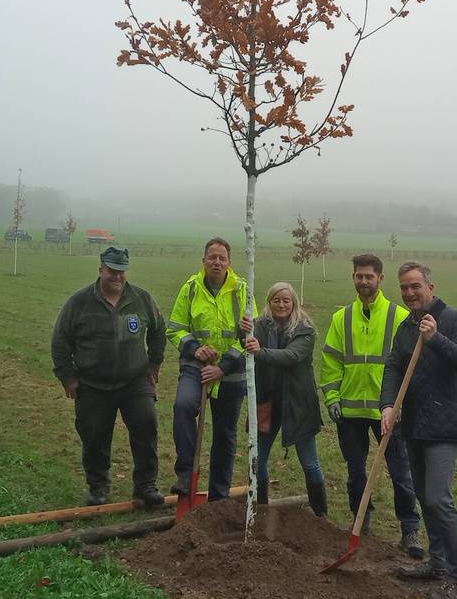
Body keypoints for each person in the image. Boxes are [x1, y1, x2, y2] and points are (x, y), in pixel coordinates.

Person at [382, 261, 457, 599]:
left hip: (444, 424)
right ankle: (437, 564)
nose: (409, 293)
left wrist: (435, 338)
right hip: (414, 424)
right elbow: (394, 366)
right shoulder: (406, 326)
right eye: (404, 288)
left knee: (438, 498)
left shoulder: (453, 319)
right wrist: (388, 406)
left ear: (430, 287)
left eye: (415, 287)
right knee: (424, 497)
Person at [320, 253, 423, 556]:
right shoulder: (342, 318)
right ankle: (360, 520)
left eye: (369, 276)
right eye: (358, 276)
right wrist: (332, 398)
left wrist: (402, 404)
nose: (363, 281)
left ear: (380, 279)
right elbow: (331, 361)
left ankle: (410, 529)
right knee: (355, 472)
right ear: (353, 277)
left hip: (387, 411)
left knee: (400, 472)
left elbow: (410, 364)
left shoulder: (398, 316)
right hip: (350, 412)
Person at [51, 246, 166, 508]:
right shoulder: (78, 303)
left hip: (135, 381)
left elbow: (159, 330)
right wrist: (67, 378)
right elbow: (60, 341)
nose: (116, 276)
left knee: (146, 426)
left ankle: (146, 486)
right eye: (112, 271)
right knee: (94, 437)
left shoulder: (141, 299)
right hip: (92, 385)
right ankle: (99, 487)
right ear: (101, 269)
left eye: (121, 271)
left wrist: (154, 364)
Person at [167, 237, 254, 500]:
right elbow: (174, 328)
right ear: (203, 260)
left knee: (225, 436)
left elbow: (249, 338)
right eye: (212, 257)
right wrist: (195, 348)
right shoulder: (191, 288)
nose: (216, 262)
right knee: (183, 406)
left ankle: (219, 497)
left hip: (231, 372)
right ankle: (185, 474)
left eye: (222, 258)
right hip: (196, 366)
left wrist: (223, 367)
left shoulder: (242, 290)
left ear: (229, 263)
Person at [242, 281, 327, 516]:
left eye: (286, 300)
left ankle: (320, 514)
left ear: (294, 303)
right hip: (266, 402)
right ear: (269, 303)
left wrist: (260, 352)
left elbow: (291, 356)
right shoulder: (259, 326)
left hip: (298, 404)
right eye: (276, 300)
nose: (281, 305)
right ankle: (261, 509)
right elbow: (246, 345)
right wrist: (243, 332)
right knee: (257, 461)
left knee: (310, 463)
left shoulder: (305, 330)